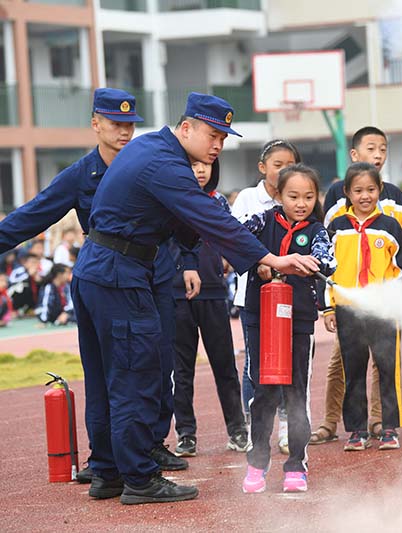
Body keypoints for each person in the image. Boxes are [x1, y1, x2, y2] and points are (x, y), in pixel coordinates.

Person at [70, 92, 319, 504]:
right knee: (136, 375)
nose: (218, 145)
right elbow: (208, 218)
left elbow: (184, 222)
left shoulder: (151, 147)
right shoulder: (166, 164)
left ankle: (109, 472)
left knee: (105, 378)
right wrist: (269, 256)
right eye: (212, 134)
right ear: (186, 128)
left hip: (100, 270)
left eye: (223, 137)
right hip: (120, 275)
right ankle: (139, 478)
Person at [0, 89, 192, 482]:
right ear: (95, 125)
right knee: (108, 371)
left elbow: (188, 219)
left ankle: (150, 445)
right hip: (108, 279)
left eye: (130, 125)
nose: (124, 131)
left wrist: (187, 263)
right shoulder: (79, 175)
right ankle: (105, 457)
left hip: (155, 275)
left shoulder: (151, 164)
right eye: (115, 123)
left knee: (156, 366)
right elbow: (31, 216)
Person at [311, 126, 402, 445]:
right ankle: (354, 429)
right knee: (352, 369)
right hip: (348, 309)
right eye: (358, 191)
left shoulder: (391, 226)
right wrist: (328, 306)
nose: (365, 196)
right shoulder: (337, 227)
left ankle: (388, 428)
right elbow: (325, 268)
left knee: (387, 368)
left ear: (380, 190)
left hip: (383, 309)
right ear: (347, 193)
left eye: (371, 190)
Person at [241, 164, 336, 494]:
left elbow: (328, 261)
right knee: (264, 391)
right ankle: (257, 462)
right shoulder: (262, 222)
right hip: (262, 319)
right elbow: (237, 239)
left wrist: (313, 263)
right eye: (293, 196)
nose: (301, 203)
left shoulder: (317, 231)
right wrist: (261, 262)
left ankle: (296, 464)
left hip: (298, 321)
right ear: (277, 195)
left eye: (309, 197)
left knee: (296, 392)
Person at [171, 160, 249, 458]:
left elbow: (231, 237)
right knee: (182, 370)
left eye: (206, 165)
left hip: (214, 292)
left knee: (224, 365)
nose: (200, 170)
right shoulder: (170, 201)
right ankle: (186, 434)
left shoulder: (218, 202)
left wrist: (229, 259)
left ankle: (237, 430)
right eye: (192, 165)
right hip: (178, 293)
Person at [230, 139, 300, 445]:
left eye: (291, 165)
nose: (285, 171)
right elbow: (231, 238)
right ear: (262, 168)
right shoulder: (248, 199)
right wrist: (257, 261)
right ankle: (253, 424)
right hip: (253, 296)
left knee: (288, 360)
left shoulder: (297, 199)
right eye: (278, 165)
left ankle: (287, 424)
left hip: (290, 295)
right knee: (254, 364)